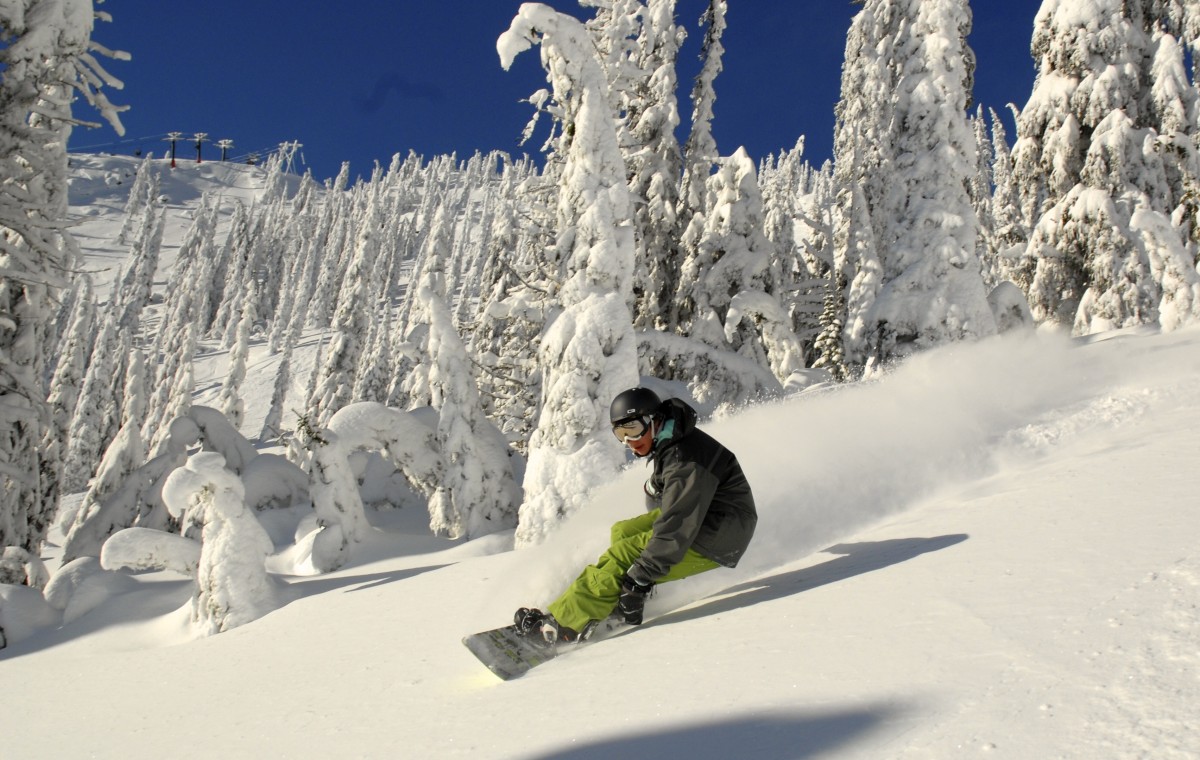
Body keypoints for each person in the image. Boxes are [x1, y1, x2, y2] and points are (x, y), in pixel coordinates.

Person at [514, 386, 757, 647]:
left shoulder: (685, 459)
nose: (629, 441)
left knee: (624, 556)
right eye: (620, 433)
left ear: (654, 420)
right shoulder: (672, 441)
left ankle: (561, 625)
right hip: (711, 519)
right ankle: (614, 598)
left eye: (632, 429)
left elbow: (676, 525)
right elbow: (672, 505)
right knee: (623, 532)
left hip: (718, 535)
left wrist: (641, 576)